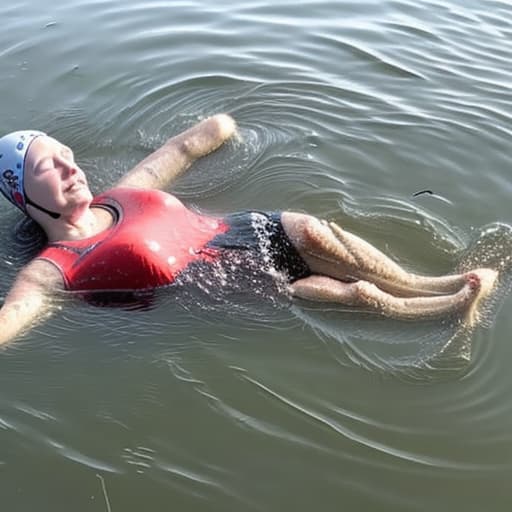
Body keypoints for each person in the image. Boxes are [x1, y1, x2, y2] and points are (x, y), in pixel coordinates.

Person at [0, 114, 498, 347]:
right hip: (219, 280)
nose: (70, 168)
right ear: (23, 193)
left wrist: (217, 129)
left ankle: (434, 285)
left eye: (67, 156)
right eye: (49, 166)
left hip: (243, 229)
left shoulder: (123, 193)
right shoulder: (53, 270)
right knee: (332, 292)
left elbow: (178, 153)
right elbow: (13, 318)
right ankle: (442, 309)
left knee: (316, 234)